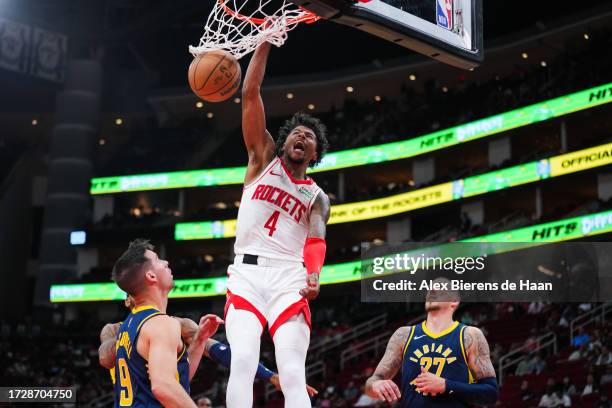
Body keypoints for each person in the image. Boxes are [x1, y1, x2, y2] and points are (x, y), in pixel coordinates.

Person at [225, 41, 330, 408]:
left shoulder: (317, 196)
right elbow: (250, 92)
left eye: (310, 136)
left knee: (291, 371)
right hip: (247, 274)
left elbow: (316, 238)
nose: (302, 136)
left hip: (289, 278)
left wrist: (314, 274)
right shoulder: (261, 158)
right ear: (284, 141)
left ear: (316, 154)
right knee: (242, 361)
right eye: (297, 132)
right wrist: (266, 41)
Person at [99, 296, 318, 398]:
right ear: (127, 301)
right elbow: (104, 358)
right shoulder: (114, 329)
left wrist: (270, 376)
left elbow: (218, 350)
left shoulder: (177, 325)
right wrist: (140, 335)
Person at [109, 239, 222, 407]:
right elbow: (163, 387)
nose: (166, 262)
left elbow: (174, 380)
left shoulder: (129, 325)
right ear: (151, 276)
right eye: (157, 260)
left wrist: (199, 340)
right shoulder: (161, 323)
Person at [364, 279, 498, 407]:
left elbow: (491, 393)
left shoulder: (469, 335)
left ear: (454, 301)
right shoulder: (403, 335)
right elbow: (372, 382)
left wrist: (446, 385)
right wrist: (375, 385)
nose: (433, 291)